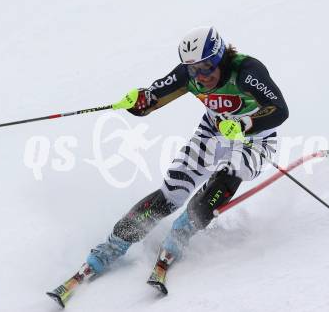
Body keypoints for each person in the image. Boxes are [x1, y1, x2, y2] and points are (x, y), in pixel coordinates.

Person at [48, 26, 289, 304]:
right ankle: (108, 250)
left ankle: (180, 235)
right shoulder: (189, 74)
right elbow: (152, 98)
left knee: (233, 171)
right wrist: (138, 101)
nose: (202, 75)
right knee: (172, 190)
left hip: (255, 138)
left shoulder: (247, 71)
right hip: (213, 132)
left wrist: (246, 123)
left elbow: (279, 110)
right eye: (194, 69)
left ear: (220, 56)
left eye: (207, 66)